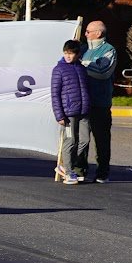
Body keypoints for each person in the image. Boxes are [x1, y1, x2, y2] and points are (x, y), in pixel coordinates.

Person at [79, 20, 117, 184]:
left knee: (101, 140)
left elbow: (102, 71)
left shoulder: (108, 50)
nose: (85, 34)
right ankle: (79, 169)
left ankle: (103, 172)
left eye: (88, 31)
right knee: (81, 139)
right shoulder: (82, 50)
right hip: (82, 102)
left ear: (98, 33)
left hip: (100, 102)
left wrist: (81, 65)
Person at [51, 39, 90, 186]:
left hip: (83, 111)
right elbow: (55, 94)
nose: (68, 56)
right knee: (71, 141)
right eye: (66, 53)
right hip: (68, 113)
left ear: (77, 54)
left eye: (71, 53)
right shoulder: (59, 69)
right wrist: (59, 115)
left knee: (85, 140)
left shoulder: (81, 68)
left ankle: (68, 165)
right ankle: (68, 171)